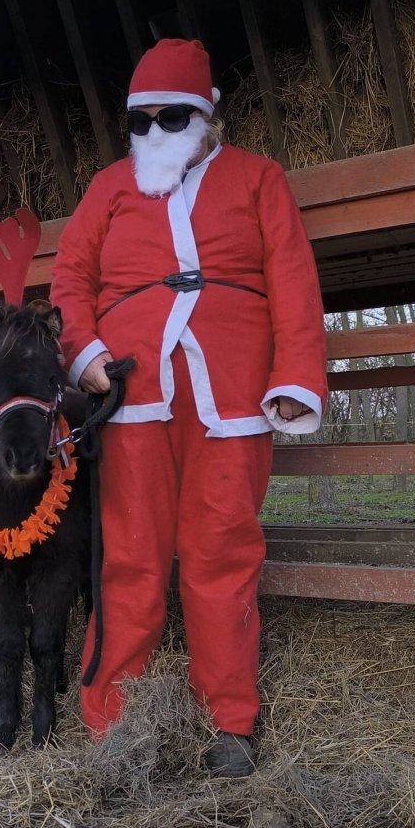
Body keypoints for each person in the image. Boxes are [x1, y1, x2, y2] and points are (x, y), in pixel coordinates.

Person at [50, 38, 327, 777]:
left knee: (222, 556)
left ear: (207, 117)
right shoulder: (109, 189)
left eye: (172, 116)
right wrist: (85, 352)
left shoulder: (258, 179)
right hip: (134, 393)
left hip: (229, 395)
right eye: (140, 121)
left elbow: (294, 280)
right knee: (131, 559)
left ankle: (230, 722)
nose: (154, 133)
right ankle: (111, 720)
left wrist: (295, 376)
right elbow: (71, 275)